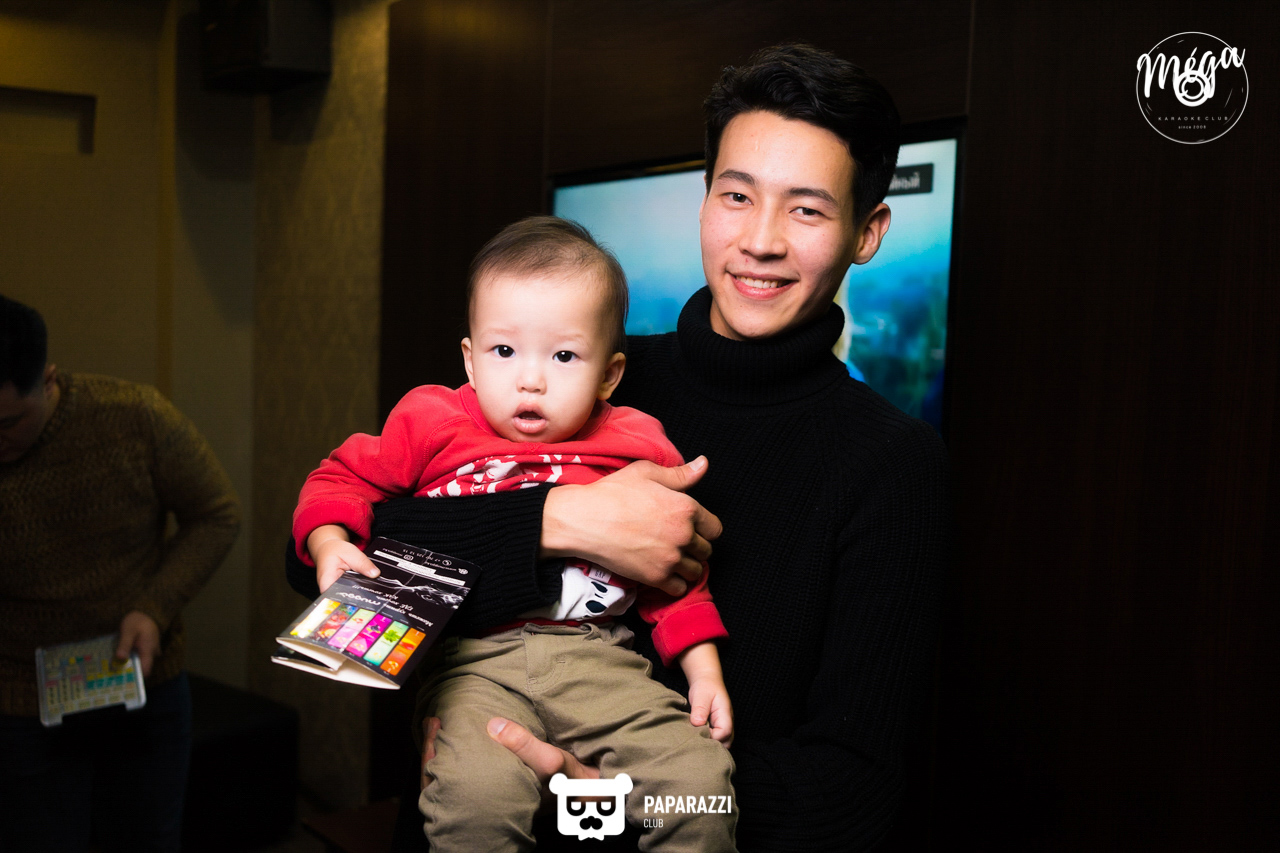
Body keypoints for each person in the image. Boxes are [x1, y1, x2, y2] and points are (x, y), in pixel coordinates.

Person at [287, 43, 948, 852]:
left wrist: (593, 794)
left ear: (867, 232)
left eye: (807, 210)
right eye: (736, 195)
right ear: (704, 199)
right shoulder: (568, 373)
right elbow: (332, 559)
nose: (760, 240)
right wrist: (559, 520)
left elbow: (850, 793)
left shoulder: (892, 463)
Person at [290, 217, 737, 852]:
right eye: (504, 352)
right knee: (476, 798)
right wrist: (329, 541)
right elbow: (339, 478)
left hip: (599, 661)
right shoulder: (432, 421)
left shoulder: (635, 442)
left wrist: (704, 671)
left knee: (700, 785)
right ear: (469, 360)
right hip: (472, 666)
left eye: (563, 356)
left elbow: (676, 568)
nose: (531, 379)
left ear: (609, 375)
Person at [0, 294, 241, 852]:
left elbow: (216, 514)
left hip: (139, 683)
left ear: (48, 379)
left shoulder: (134, 415)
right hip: (17, 698)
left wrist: (154, 608)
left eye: (8, 423)